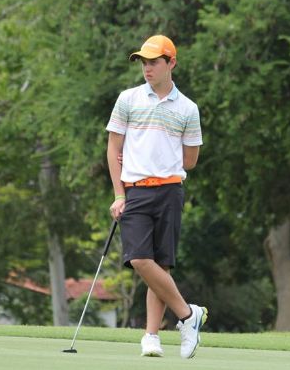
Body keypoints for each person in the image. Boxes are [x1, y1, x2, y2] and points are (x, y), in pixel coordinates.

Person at [106, 35, 207, 359]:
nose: (147, 68)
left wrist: (160, 153)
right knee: (139, 259)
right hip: (135, 192)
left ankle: (152, 336)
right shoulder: (128, 99)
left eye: (153, 62)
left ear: (171, 63)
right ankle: (189, 316)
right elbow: (113, 148)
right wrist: (119, 193)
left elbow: (190, 160)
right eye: (143, 63)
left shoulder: (188, 109)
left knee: (161, 265)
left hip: (169, 191)